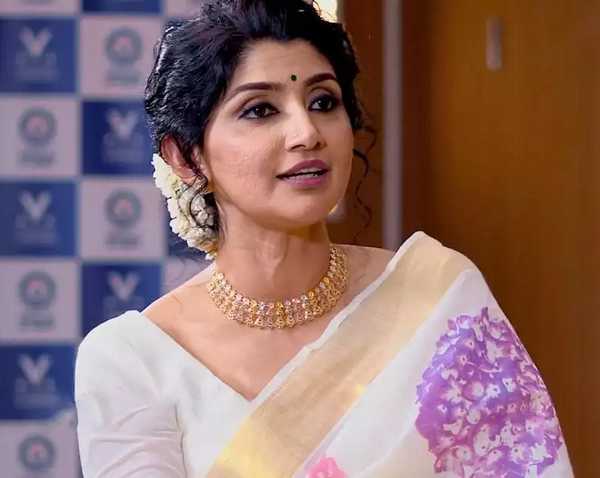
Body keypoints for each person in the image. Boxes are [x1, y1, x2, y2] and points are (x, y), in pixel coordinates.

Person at [74, 1, 574, 477]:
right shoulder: (135, 360)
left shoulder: (436, 300)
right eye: (260, 110)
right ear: (186, 158)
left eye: (322, 102)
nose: (307, 132)